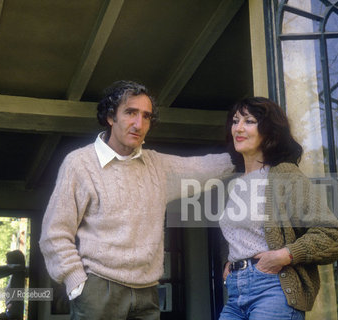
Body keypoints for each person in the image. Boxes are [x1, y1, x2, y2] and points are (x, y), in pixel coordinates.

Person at [39, 80, 234, 319]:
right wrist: (76, 281)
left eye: (146, 116)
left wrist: (246, 151)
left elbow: (203, 167)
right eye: (130, 113)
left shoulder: (157, 165)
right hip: (99, 290)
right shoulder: (79, 163)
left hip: (148, 293)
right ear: (111, 117)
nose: (138, 124)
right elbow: (54, 232)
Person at [218, 97, 338, 319]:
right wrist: (234, 261)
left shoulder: (284, 174)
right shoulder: (235, 183)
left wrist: (285, 255)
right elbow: (247, 236)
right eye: (235, 120)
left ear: (268, 132)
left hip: (273, 288)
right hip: (235, 291)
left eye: (249, 121)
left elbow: (331, 235)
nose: (238, 128)